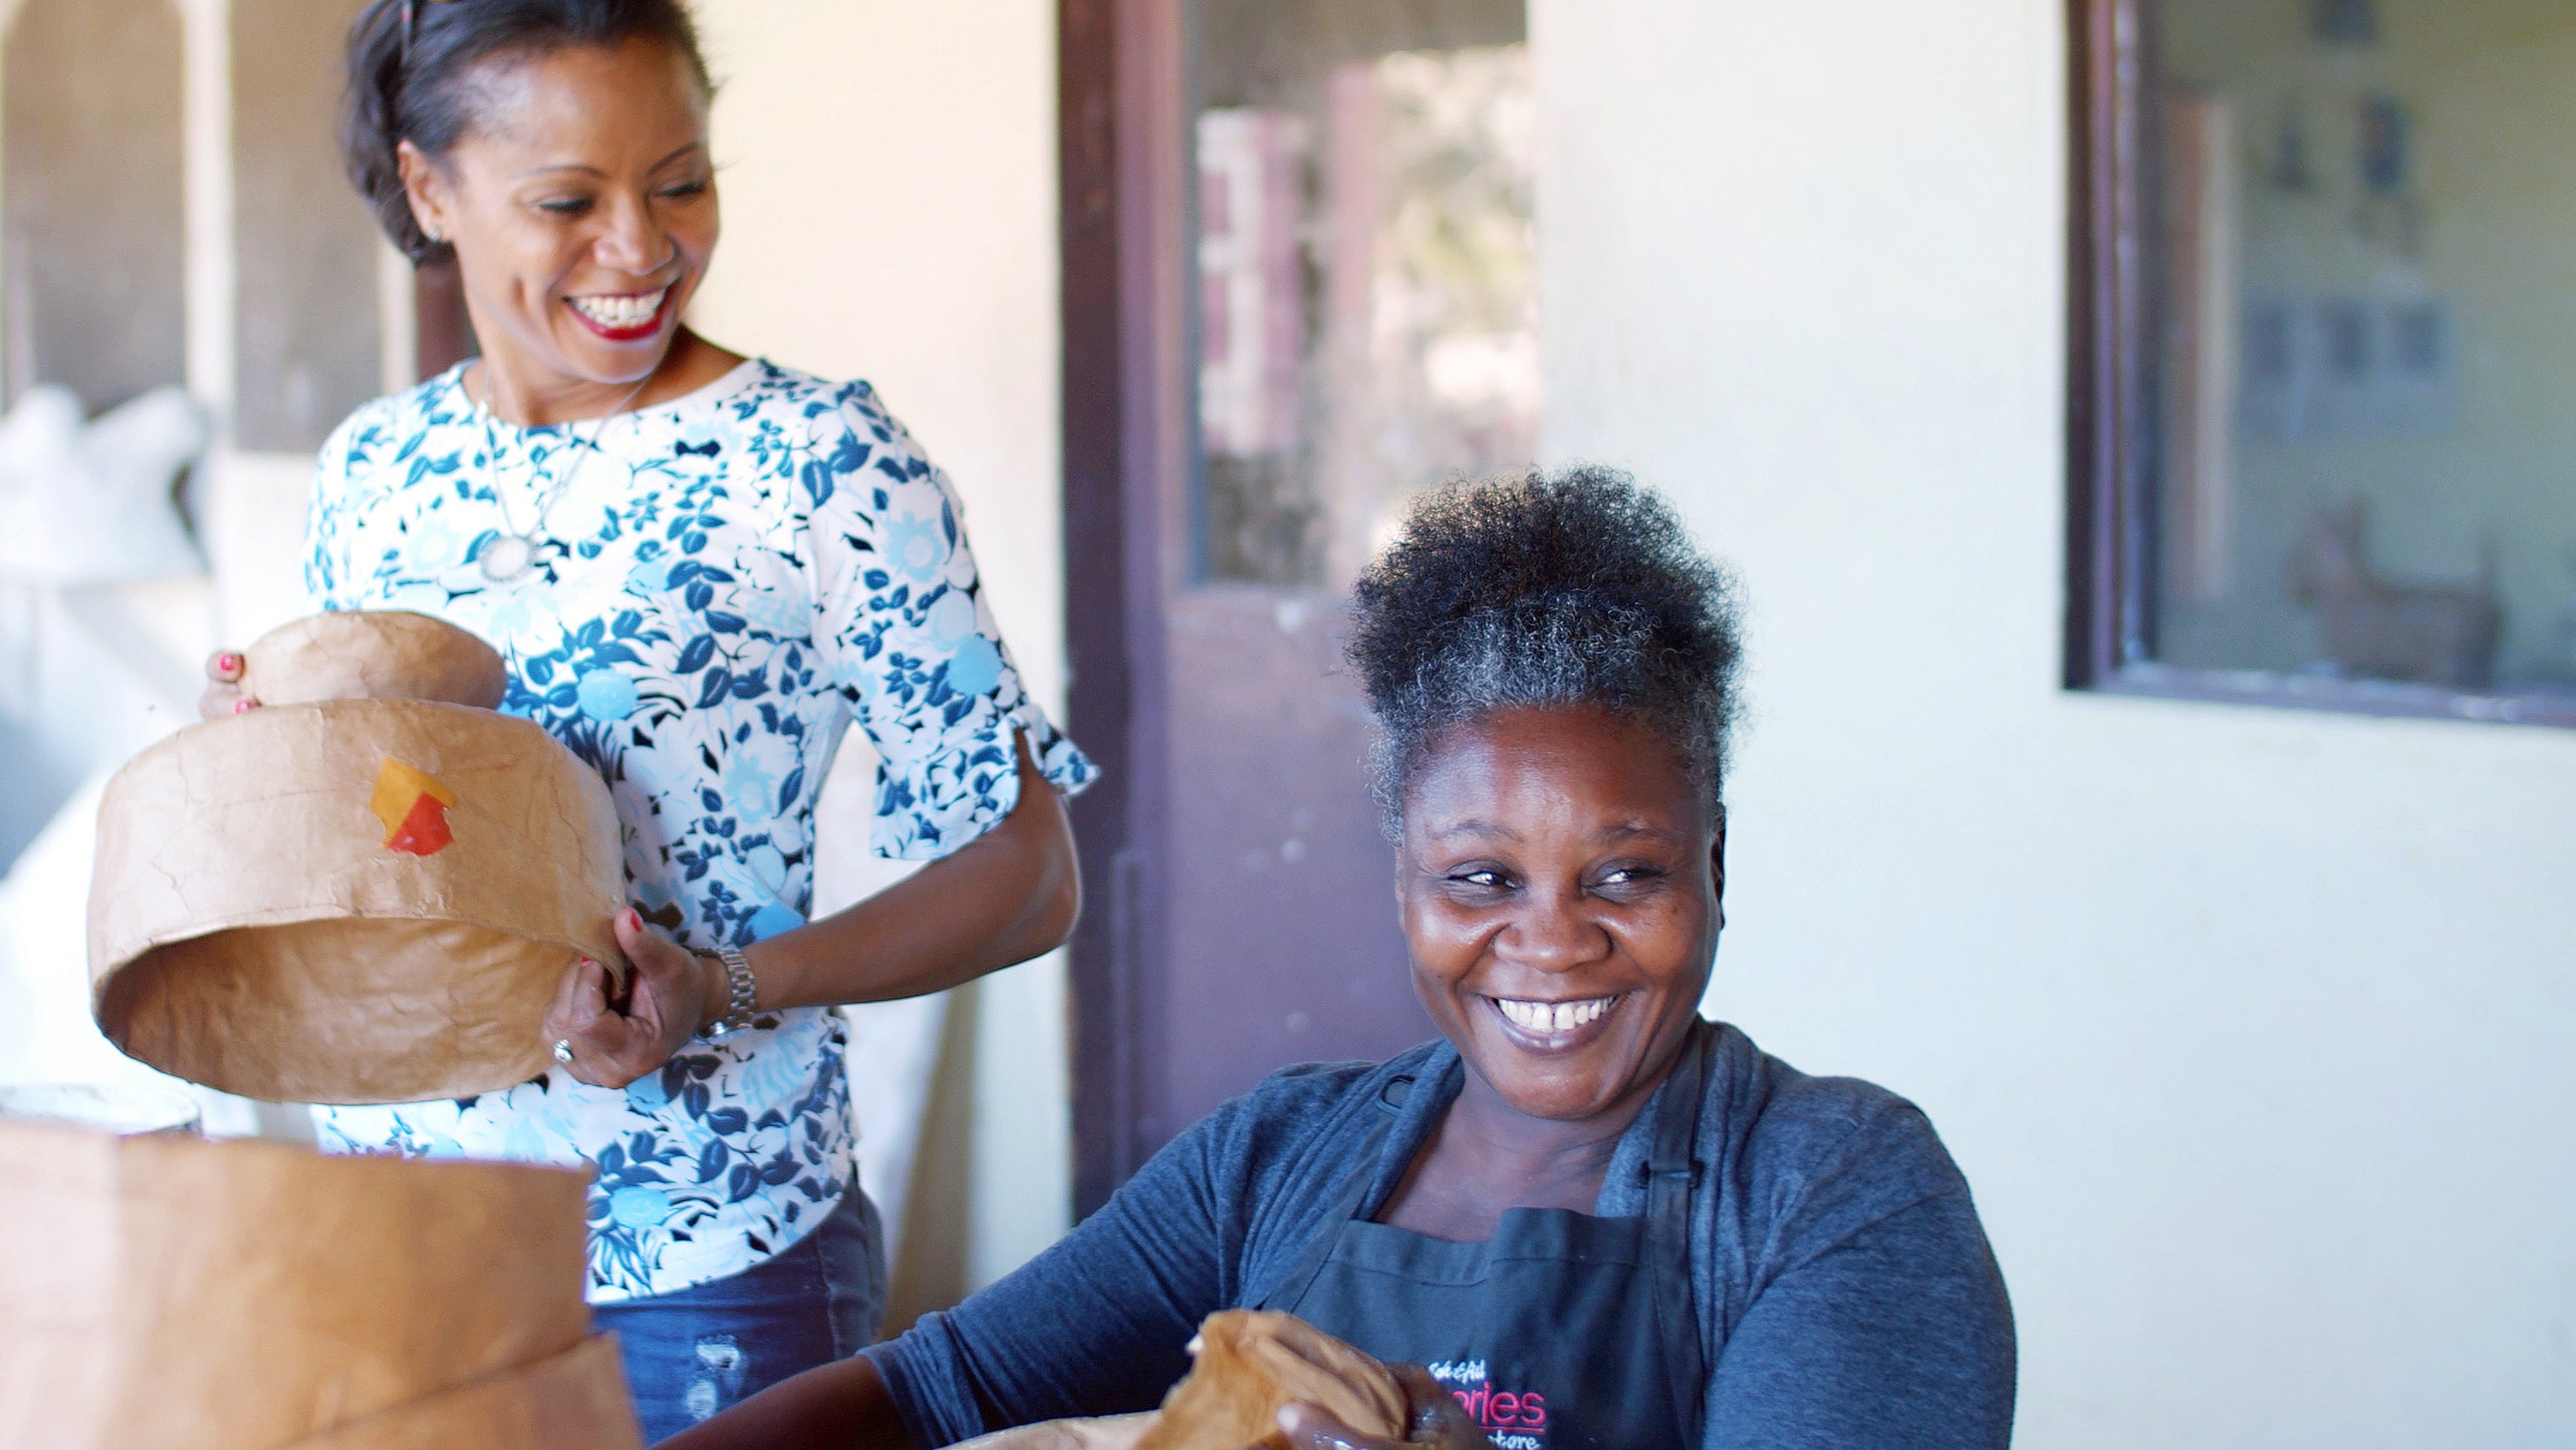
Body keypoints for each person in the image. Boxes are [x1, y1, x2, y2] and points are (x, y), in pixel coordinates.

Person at [665, 470, 2017, 1450]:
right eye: (1480, 878)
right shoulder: (1277, 1157)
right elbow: (927, 1397)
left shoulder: (1832, 1194)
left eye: (1626, 873)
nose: (1548, 939)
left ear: (1713, 867)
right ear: (1403, 882)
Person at [201, 2, 1093, 1439]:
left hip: (710, 1265)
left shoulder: (822, 462)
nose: (640, 247)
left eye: (679, 181)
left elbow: (1029, 876)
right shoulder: (375, 470)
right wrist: (268, 761)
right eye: (566, 200)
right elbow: (387, 840)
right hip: (405, 1242)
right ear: (431, 191)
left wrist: (720, 988)